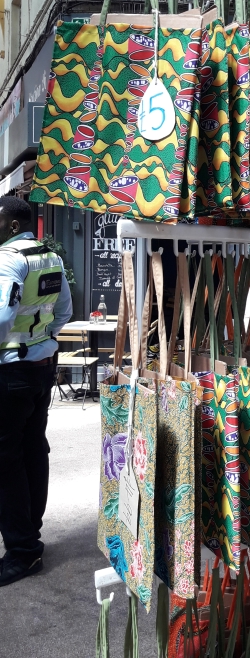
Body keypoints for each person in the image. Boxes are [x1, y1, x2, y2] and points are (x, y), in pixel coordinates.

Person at [0, 196, 72, 586]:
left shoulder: (7, 260)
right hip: (41, 368)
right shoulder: (51, 258)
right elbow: (64, 312)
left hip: (10, 372)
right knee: (32, 448)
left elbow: (2, 318)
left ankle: (23, 551)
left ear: (13, 225)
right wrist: (41, 341)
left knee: (6, 461)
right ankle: (30, 531)